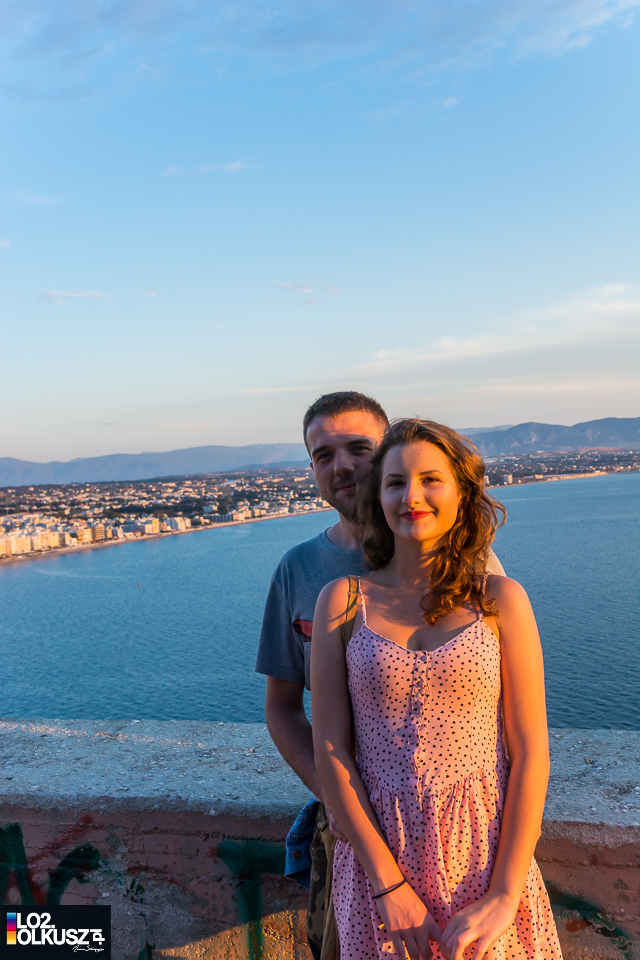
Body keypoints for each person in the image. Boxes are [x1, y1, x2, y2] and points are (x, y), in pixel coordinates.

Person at [255, 395, 505, 958]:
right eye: (323, 454)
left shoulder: (470, 569)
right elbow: (282, 707)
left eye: (357, 448)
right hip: (354, 837)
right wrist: (337, 801)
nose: (341, 465)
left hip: (462, 834)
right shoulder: (299, 570)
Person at [311, 419, 562, 960]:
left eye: (431, 479)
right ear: (378, 498)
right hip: (378, 862)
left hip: (485, 855)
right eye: (395, 482)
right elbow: (330, 750)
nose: (412, 496)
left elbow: (530, 752)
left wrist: (504, 895)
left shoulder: (500, 600)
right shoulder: (342, 601)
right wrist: (389, 887)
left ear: (461, 493)